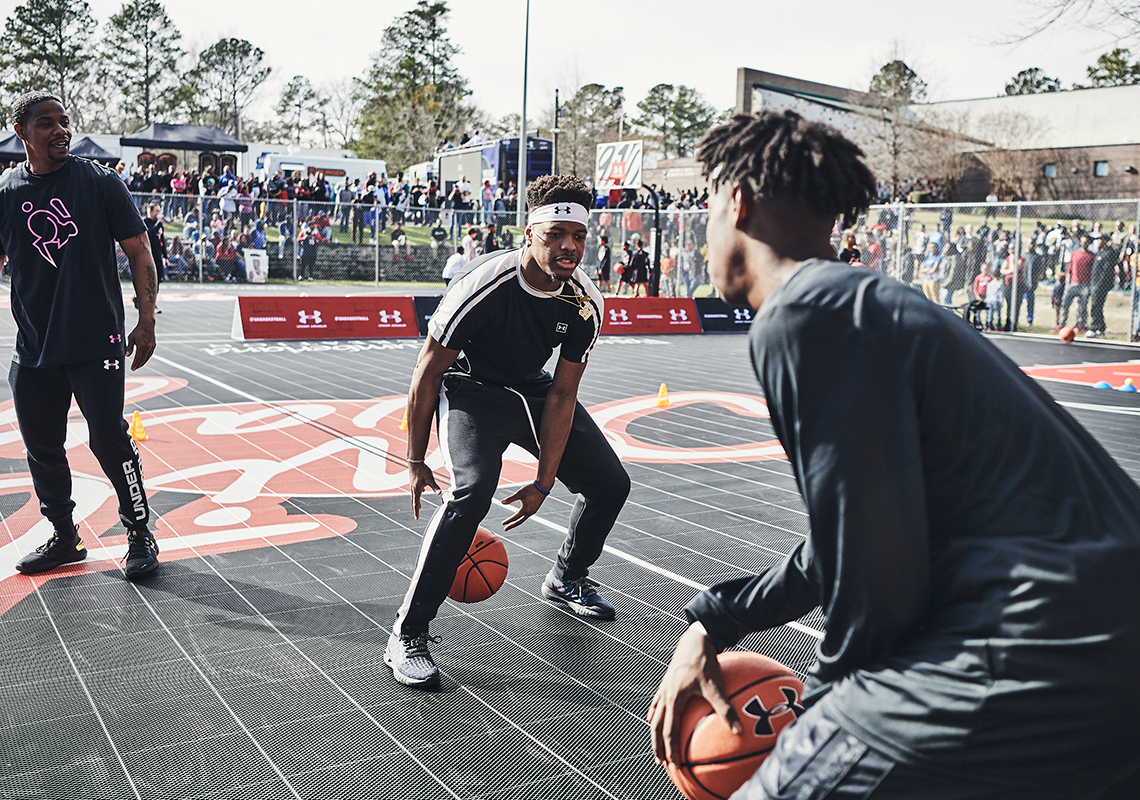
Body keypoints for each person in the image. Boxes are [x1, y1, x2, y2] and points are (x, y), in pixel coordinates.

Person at [648, 109, 1140, 799]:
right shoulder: (874, 305)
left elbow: (873, 573)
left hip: (1030, 651)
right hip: (1107, 653)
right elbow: (860, 535)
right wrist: (717, 616)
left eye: (705, 205)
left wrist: (821, 722)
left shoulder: (804, 313)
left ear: (738, 201)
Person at [388, 174, 630, 689]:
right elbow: (427, 371)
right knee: (472, 492)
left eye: (578, 236)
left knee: (611, 484)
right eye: (555, 234)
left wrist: (544, 483)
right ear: (529, 233)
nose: (568, 246)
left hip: (532, 390)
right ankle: (408, 633)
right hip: (470, 388)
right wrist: (415, 459)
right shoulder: (481, 286)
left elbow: (563, 395)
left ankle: (567, 578)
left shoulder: (585, 302)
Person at [1, 91, 160, 578]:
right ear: (22, 133)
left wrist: (146, 319)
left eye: (64, 121)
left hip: (96, 340)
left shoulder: (99, 182)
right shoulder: (6, 190)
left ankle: (138, 531)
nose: (60, 130)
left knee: (108, 437)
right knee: (41, 446)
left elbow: (139, 252)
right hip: (34, 344)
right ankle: (65, 537)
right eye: (46, 123)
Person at [140, 203, 166, 313]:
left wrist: (165, 256)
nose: (158, 213)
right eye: (156, 211)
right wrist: (158, 223)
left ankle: (151, 302)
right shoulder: (146, 222)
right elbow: (150, 234)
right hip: (148, 255)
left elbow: (162, 240)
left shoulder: (159, 225)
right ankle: (149, 304)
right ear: (150, 211)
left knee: (158, 280)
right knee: (150, 280)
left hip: (157, 256)